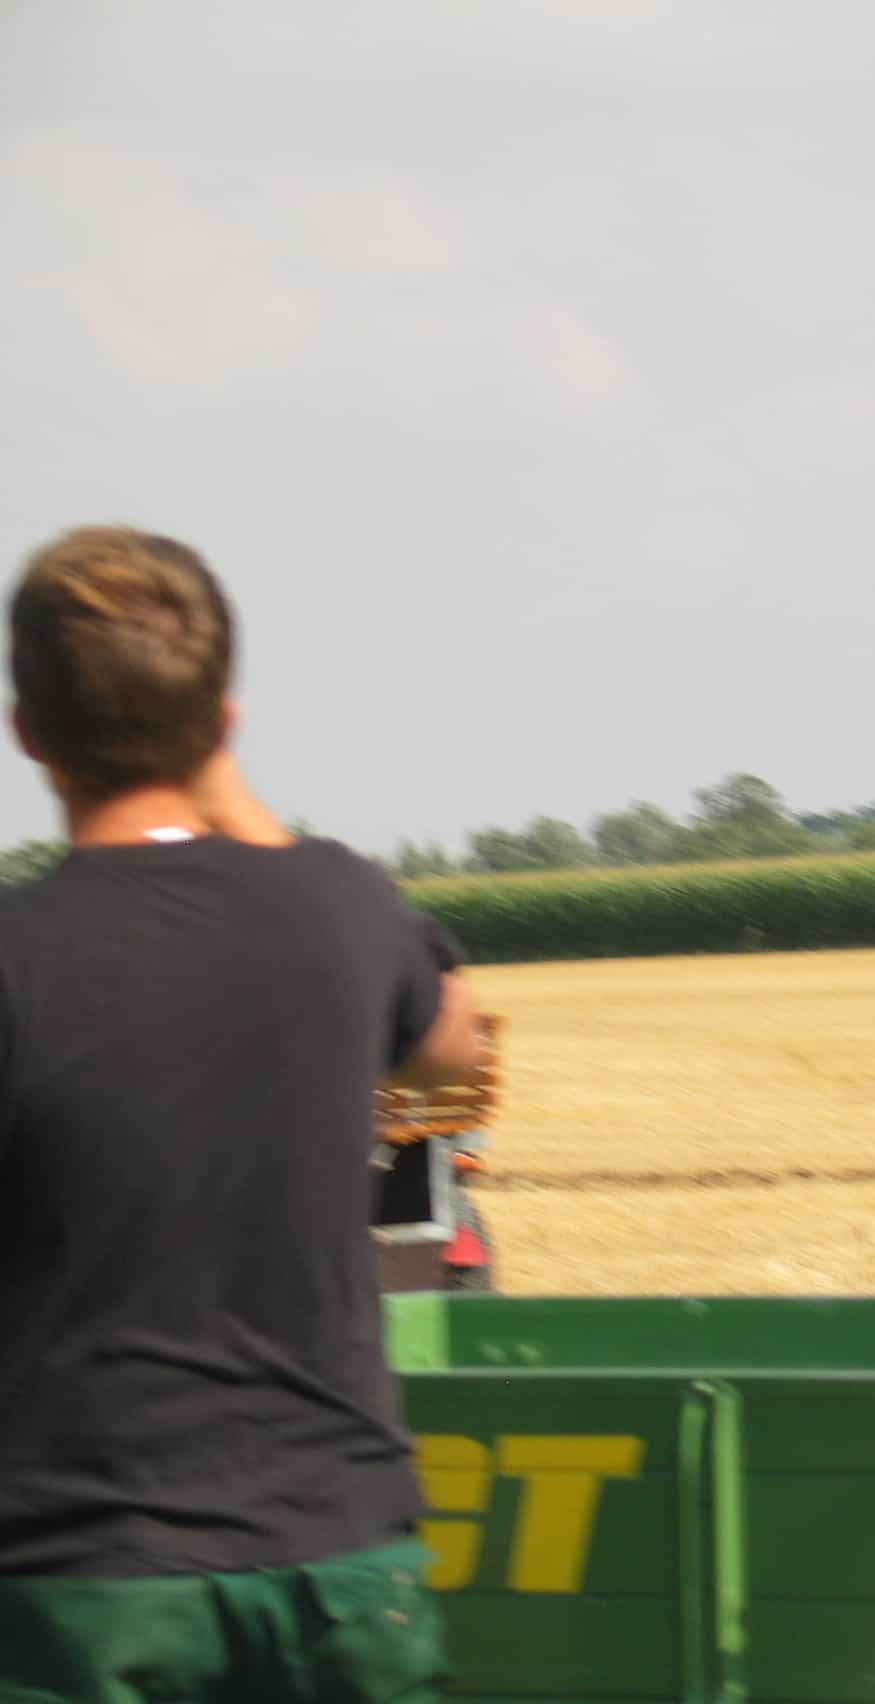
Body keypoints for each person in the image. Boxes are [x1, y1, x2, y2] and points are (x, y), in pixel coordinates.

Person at [0, 526, 482, 1700]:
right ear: (222, 721)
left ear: (28, 736)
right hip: (342, 1566)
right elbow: (457, 1063)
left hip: (86, 1581)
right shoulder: (342, 908)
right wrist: (244, 806)